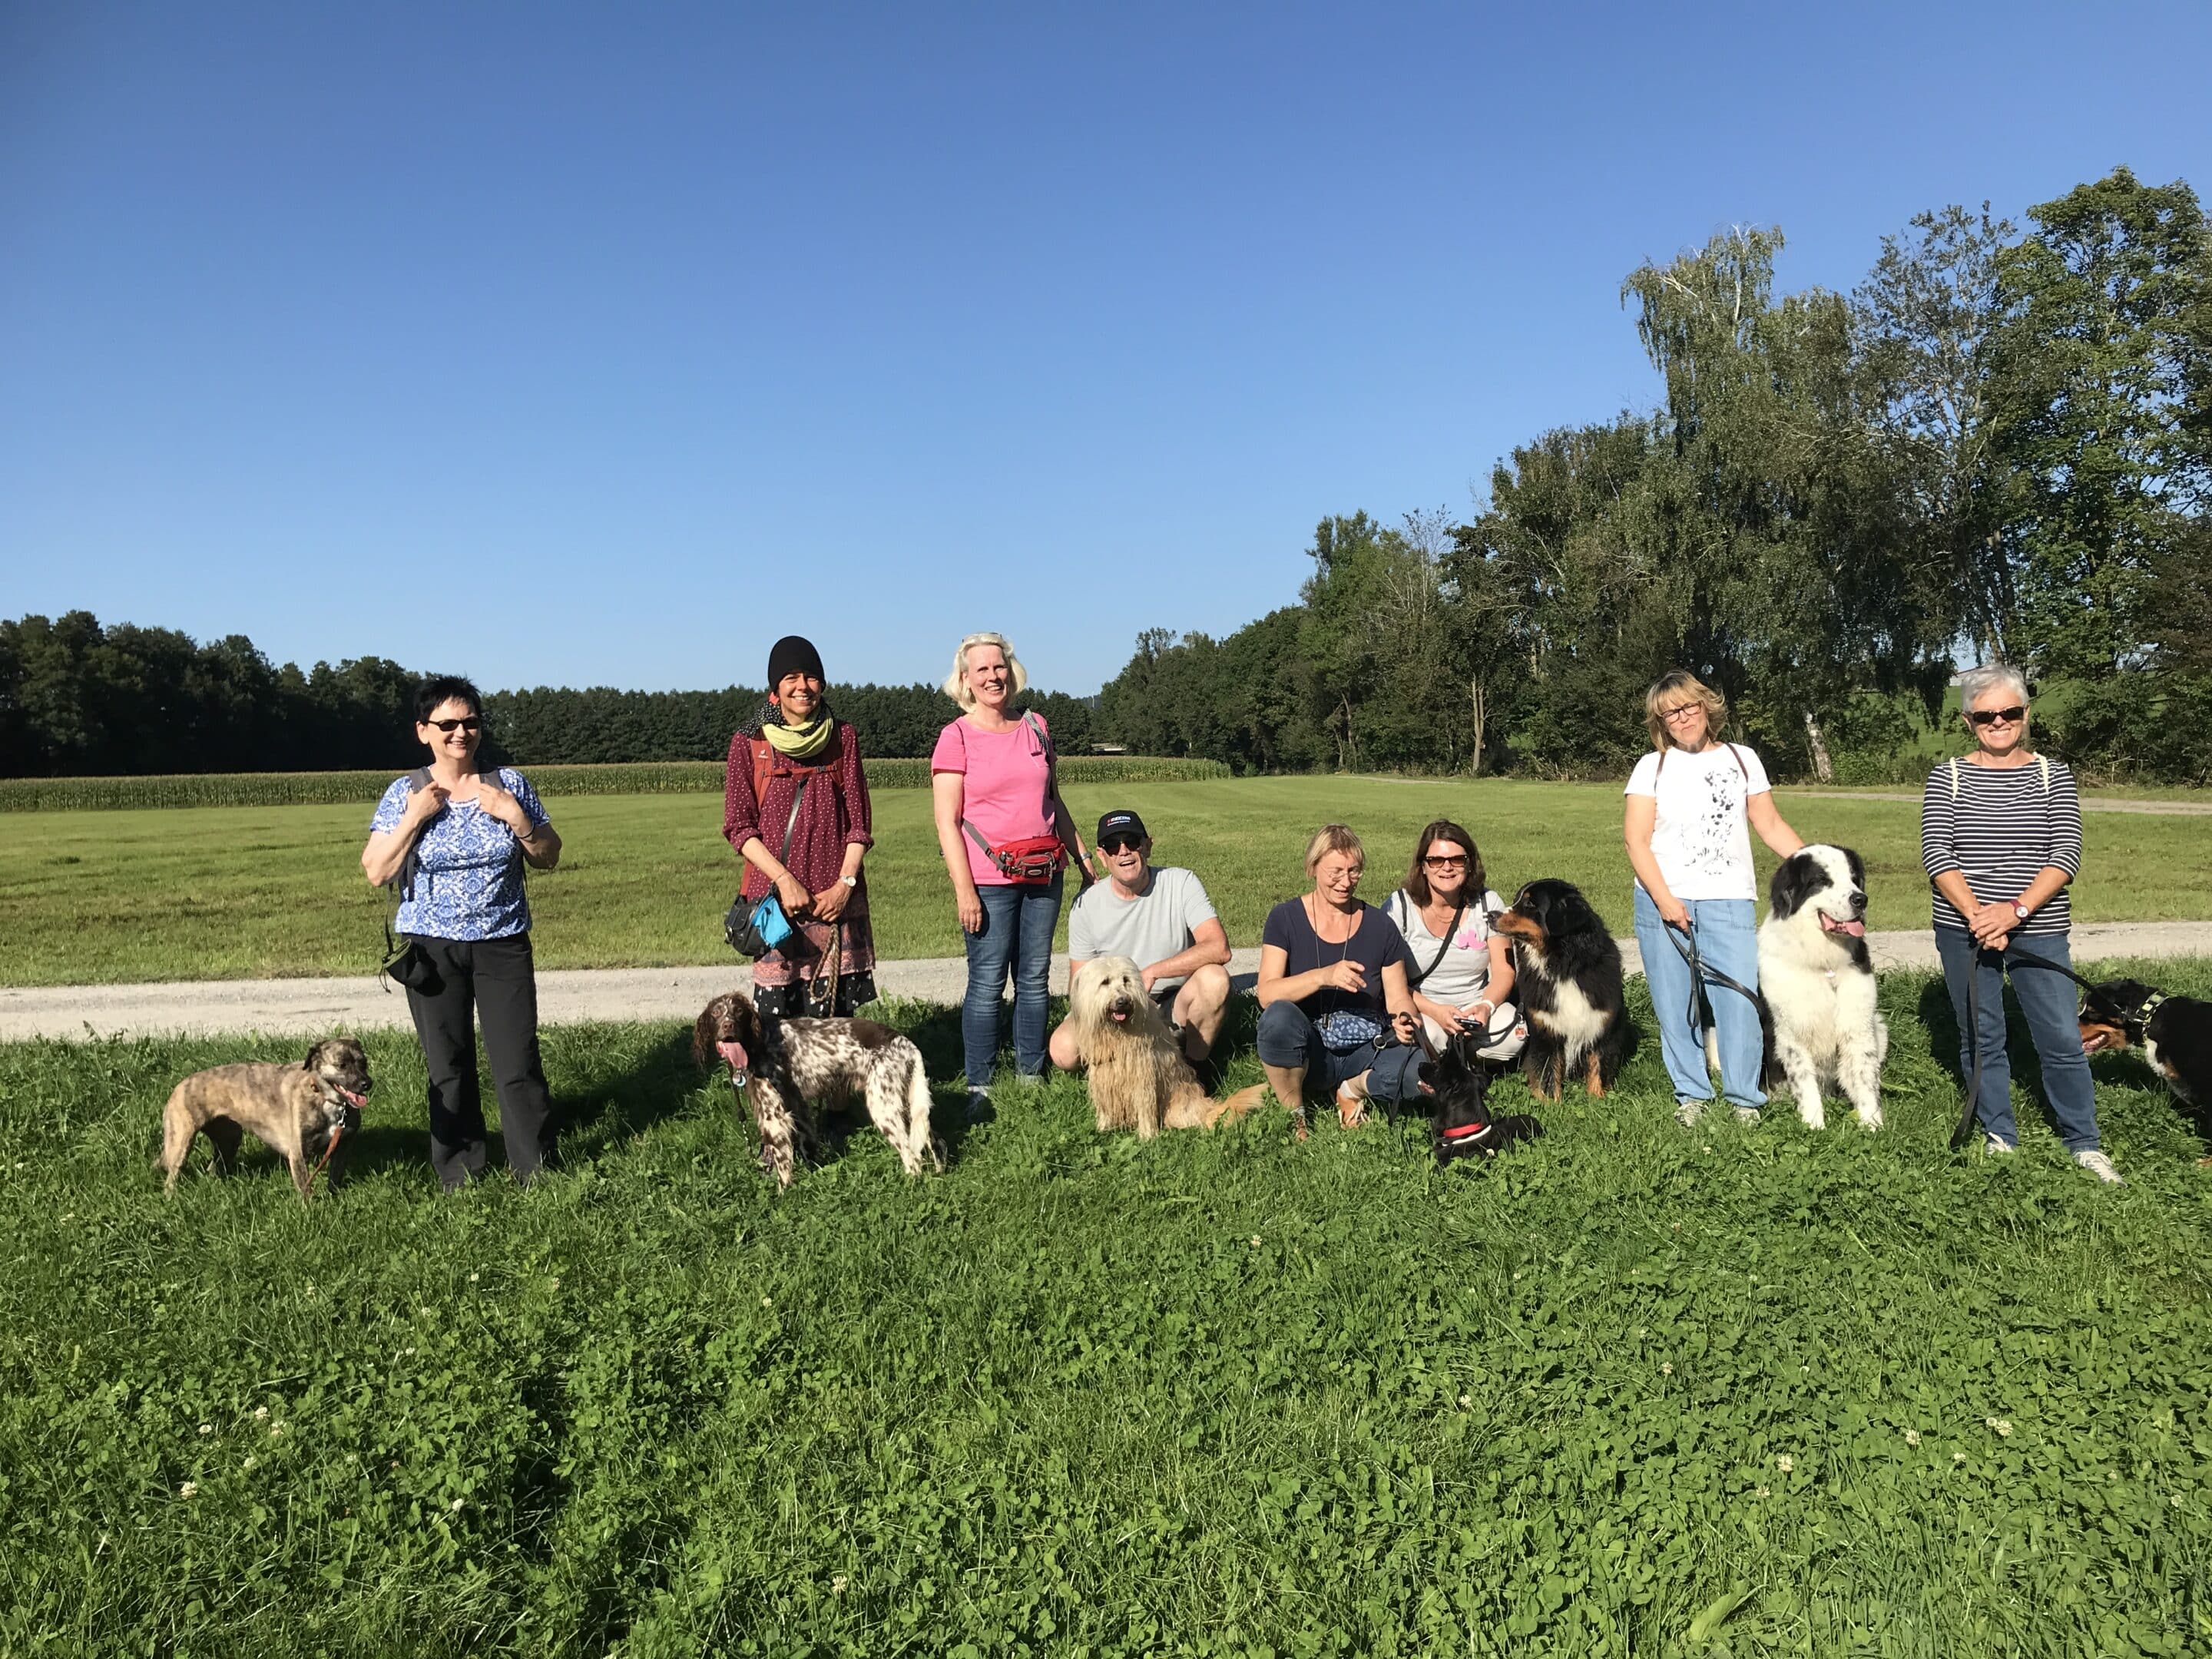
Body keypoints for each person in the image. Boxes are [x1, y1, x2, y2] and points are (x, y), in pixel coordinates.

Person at [362, 675, 562, 1190]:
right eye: (447, 723)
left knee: (517, 1061)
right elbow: (377, 871)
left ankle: (535, 1171)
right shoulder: (405, 793)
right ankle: (460, 1173)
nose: (460, 732)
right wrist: (414, 818)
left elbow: (548, 856)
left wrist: (516, 817)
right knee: (447, 1065)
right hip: (431, 950)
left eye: (470, 722)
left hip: (503, 943)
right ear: (423, 731)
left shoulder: (508, 784)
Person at [1921, 665, 2117, 1182]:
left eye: (2009, 711)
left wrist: (2014, 911)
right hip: (1964, 928)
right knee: (1981, 1035)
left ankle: (2083, 1142)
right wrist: (1979, 917)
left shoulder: (2054, 775)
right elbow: (1938, 853)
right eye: (1986, 715)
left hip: (2039, 926)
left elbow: (2066, 854)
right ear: (1968, 721)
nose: (1999, 722)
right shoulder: (1948, 777)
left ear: (2026, 714)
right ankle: (1999, 1135)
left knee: (2060, 1036)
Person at [1624, 670, 1803, 1127]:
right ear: (1660, 723)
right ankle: (1692, 1096)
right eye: (1670, 714)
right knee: (1675, 1004)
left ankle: (1745, 1099)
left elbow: (1769, 824)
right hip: (1662, 901)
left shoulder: (1742, 759)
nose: (1682, 718)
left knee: (1738, 1000)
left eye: (1689, 707)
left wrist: (1814, 865)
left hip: (1728, 898)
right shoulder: (1651, 767)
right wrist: (1665, 900)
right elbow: (1636, 841)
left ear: (1706, 707)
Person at [931, 631, 1091, 1121]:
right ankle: (979, 1085)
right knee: (986, 982)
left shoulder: (1037, 727)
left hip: (1044, 873)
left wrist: (1081, 853)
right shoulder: (956, 737)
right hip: (988, 881)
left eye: (998, 667)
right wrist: (965, 890)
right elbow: (947, 821)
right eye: (981, 670)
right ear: (965, 680)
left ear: (1011, 671)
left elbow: (1053, 800)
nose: (992, 677)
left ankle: (1030, 1074)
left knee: (1035, 979)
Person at [721, 635, 877, 1018]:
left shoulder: (843, 737)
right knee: (779, 1030)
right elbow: (739, 828)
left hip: (835, 904)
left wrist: (845, 886)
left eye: (811, 677)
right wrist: (785, 881)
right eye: (791, 677)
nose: (802, 687)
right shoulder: (749, 743)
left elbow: (859, 824)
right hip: (777, 904)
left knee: (837, 1029)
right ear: (775, 688)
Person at [1255, 824, 1422, 1136]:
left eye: (1354, 871)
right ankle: (1295, 1114)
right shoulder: (1285, 918)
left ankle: (1353, 1088)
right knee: (1277, 1018)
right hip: (1310, 1047)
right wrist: (1324, 976)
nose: (1346, 882)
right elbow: (1266, 993)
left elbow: (1399, 996)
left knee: (1420, 1075)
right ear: (1312, 868)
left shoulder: (1380, 926)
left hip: (1368, 1047)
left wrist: (1405, 1018)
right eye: (1335, 872)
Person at [1048, 808, 1233, 1088]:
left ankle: (1193, 1072)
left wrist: (1152, 972)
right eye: (1113, 845)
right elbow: (1079, 982)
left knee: (1215, 980)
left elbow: (1219, 948)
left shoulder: (1181, 882)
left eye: (1132, 842)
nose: (1123, 851)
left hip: (1170, 1001)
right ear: (1102, 856)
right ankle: (1123, 1072)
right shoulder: (1086, 904)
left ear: (1147, 846)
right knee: (1062, 1049)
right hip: (1113, 1004)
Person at [1379, 818, 1518, 1055]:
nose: (1447, 867)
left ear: (1469, 864)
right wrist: (1436, 1011)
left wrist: (1485, 1007)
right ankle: (1449, 1057)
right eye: (1436, 860)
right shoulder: (1399, 907)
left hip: (1476, 1007)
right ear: (1422, 866)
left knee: (1514, 1034)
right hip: (1424, 1007)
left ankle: (1465, 1056)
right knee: (1425, 1035)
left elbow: (1504, 971)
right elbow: (1393, 986)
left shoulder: (1488, 902)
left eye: (1457, 859)